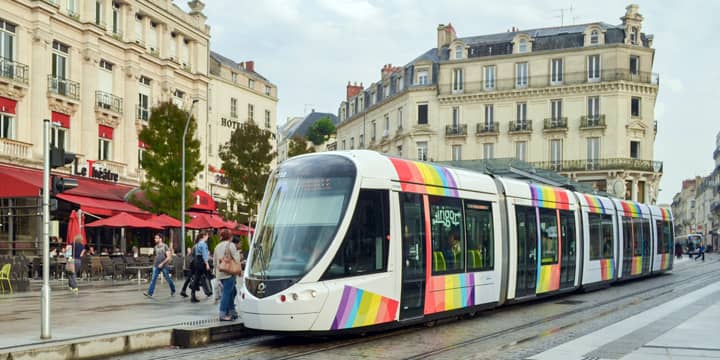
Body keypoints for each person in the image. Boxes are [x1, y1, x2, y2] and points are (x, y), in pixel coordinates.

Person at [214, 229, 241, 321]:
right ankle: (222, 313)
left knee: (232, 292)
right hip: (229, 272)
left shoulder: (217, 246)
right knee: (226, 293)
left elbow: (215, 261)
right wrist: (239, 270)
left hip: (221, 272)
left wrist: (216, 273)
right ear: (230, 237)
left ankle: (232, 311)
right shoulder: (231, 245)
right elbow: (236, 259)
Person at [143, 234, 176, 298]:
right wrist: (151, 257)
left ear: (160, 239)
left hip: (164, 265)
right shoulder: (155, 247)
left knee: (168, 279)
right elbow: (156, 256)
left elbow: (168, 257)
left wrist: (162, 264)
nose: (155, 239)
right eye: (155, 238)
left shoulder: (165, 246)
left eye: (156, 238)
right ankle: (150, 293)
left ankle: (173, 290)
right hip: (156, 265)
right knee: (153, 279)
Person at [190, 231, 211, 303]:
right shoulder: (203, 244)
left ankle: (193, 294)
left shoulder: (198, 244)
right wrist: (207, 263)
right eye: (207, 235)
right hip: (201, 261)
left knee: (197, 277)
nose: (208, 237)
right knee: (208, 276)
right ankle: (209, 291)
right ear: (204, 236)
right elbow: (205, 254)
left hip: (197, 261)